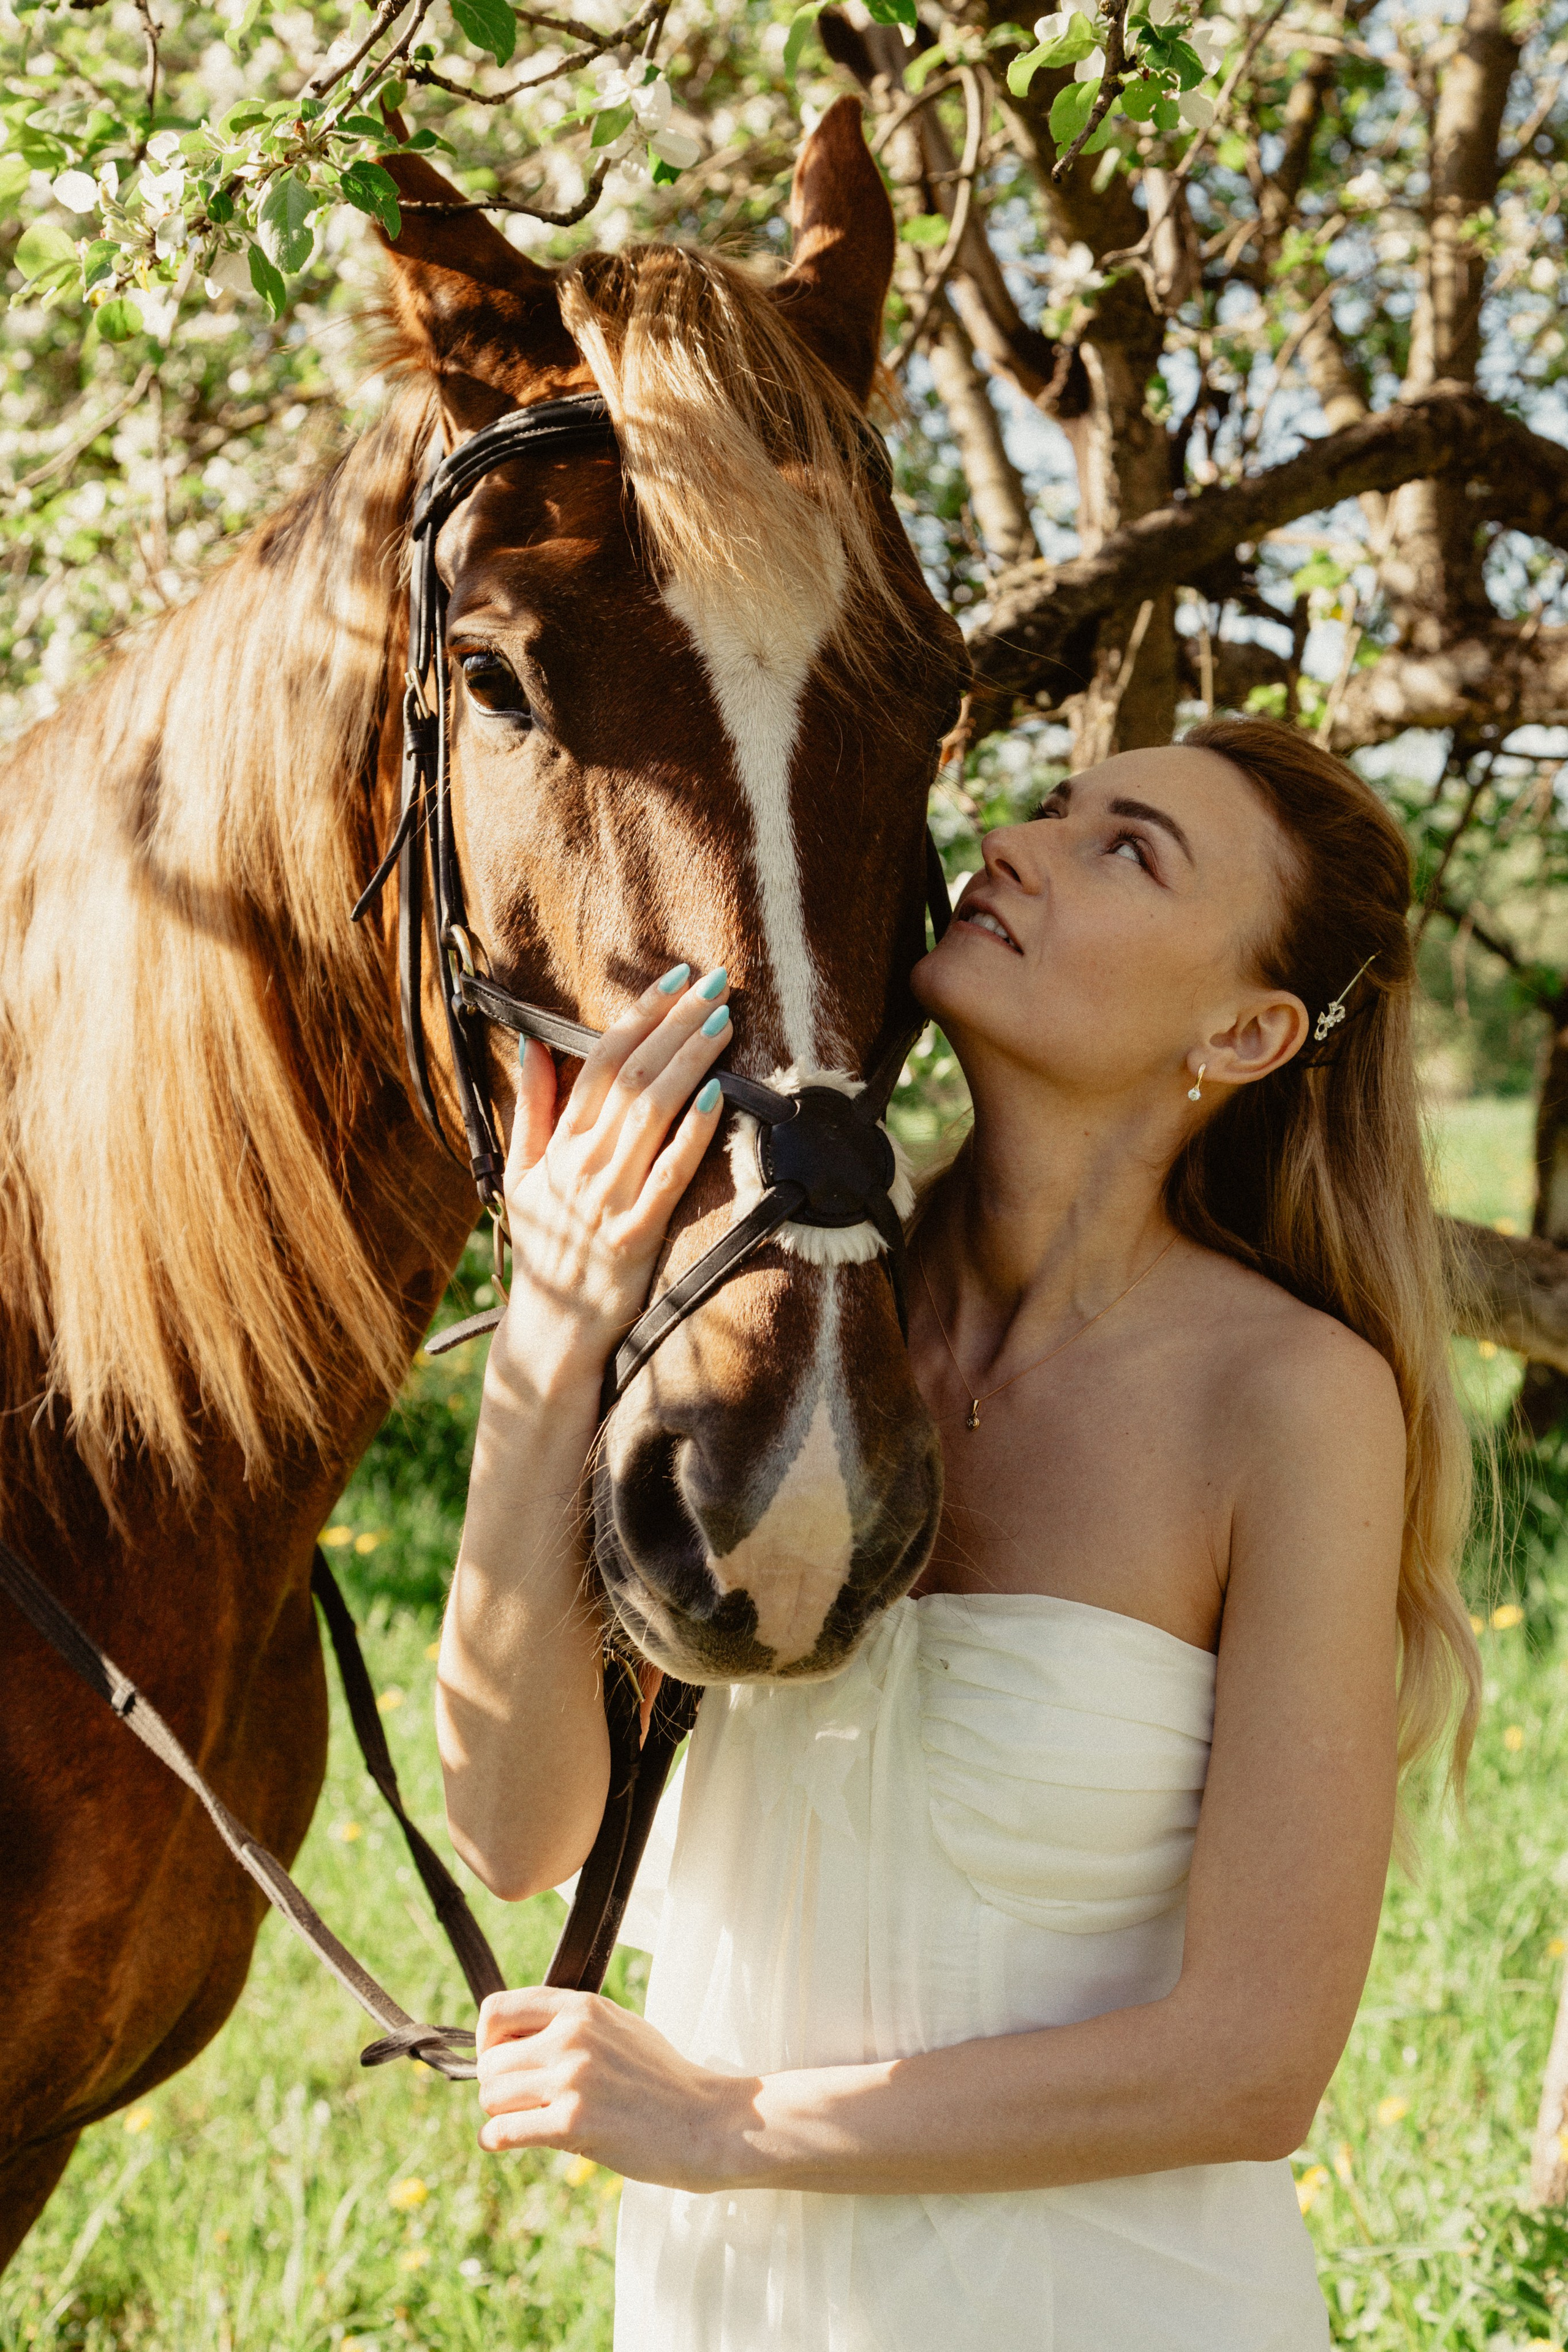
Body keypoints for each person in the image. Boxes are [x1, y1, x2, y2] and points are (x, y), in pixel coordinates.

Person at [436, 715, 1481, 2348]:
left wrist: (728, 2125)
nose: (1018, 843)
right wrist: (553, 1339)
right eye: (1054, 807)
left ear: (1251, 1028)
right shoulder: (780, 1343)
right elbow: (518, 1836)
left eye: (1127, 848)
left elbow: (1252, 2062)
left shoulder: (1291, 1403)